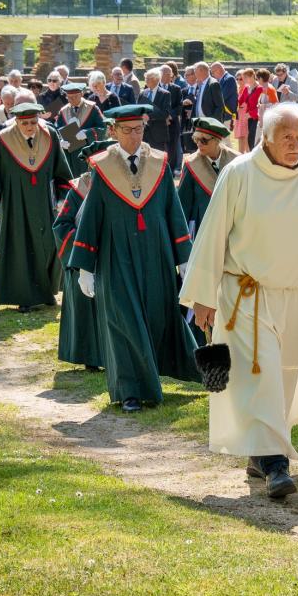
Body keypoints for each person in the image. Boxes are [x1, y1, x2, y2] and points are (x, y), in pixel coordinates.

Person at [179, 104, 298, 500]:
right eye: (286, 137)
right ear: (265, 137)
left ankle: (260, 454)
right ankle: (277, 463)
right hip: (247, 295)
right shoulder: (240, 174)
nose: (295, 145)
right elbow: (212, 235)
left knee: (284, 377)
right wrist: (202, 297)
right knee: (258, 379)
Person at [70, 104, 201, 411]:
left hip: (156, 253)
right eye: (126, 131)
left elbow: (173, 210)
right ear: (113, 131)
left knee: (157, 316)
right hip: (116, 256)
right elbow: (91, 216)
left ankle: (153, 375)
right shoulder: (102, 167)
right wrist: (84, 266)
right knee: (123, 319)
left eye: (138, 130)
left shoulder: (160, 163)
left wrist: (184, 256)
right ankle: (129, 390)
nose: (133, 137)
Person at [0, 102, 73, 312]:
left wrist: (63, 196)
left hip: (45, 201)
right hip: (15, 203)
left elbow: (62, 169)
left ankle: (47, 292)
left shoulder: (50, 136)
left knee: (48, 245)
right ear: (17, 122)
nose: (30, 126)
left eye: (33, 121)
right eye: (25, 123)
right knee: (21, 248)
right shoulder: (4, 140)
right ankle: (25, 296)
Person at [53, 138, 115, 373]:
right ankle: (90, 355)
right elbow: (61, 227)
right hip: (83, 259)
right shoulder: (77, 191)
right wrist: (83, 246)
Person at [176, 117, 239, 246]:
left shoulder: (236, 160)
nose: (199, 144)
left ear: (217, 141)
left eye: (204, 140)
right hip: (203, 227)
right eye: (196, 139)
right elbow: (183, 204)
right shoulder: (191, 164)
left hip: (233, 226)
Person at [55, 76, 107, 175]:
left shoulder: (93, 108)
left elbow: (103, 128)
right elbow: (56, 129)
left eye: (75, 97)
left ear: (82, 94)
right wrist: (60, 141)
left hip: (87, 153)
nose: (72, 100)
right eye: (69, 97)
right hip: (69, 154)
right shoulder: (63, 111)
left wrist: (87, 133)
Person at [138, 69, 172, 153]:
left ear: (156, 79)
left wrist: (149, 116)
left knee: (158, 159)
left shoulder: (165, 94)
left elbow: (165, 113)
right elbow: (138, 109)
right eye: (145, 78)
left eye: (148, 78)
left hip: (158, 133)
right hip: (144, 133)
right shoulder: (142, 93)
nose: (146, 80)